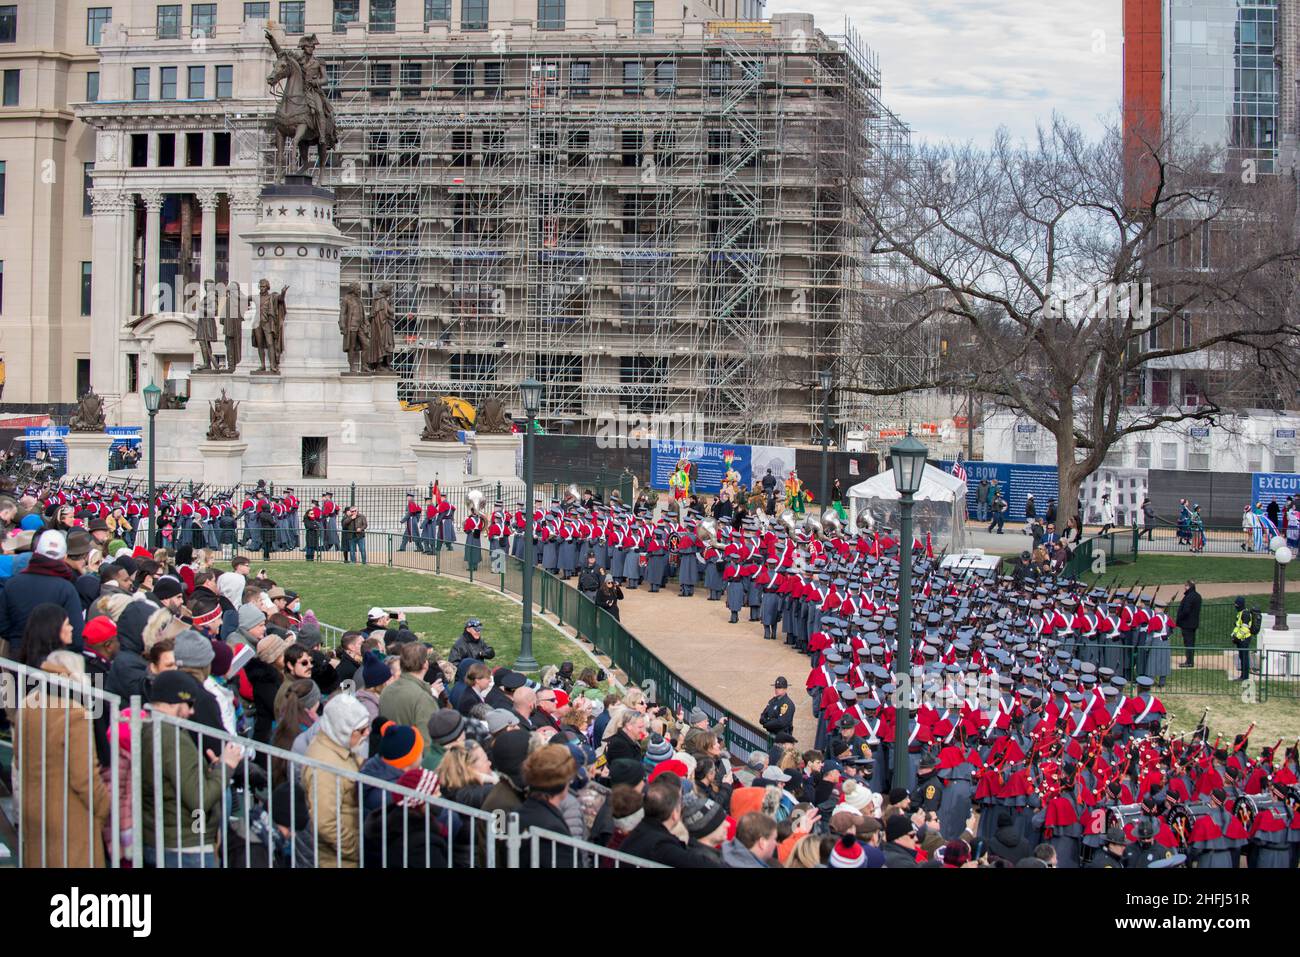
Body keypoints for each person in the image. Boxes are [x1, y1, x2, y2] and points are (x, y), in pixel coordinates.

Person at [138, 670, 242, 868]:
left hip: (168, 840)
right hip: (186, 847)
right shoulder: (173, 738)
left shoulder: (151, 729)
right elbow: (199, 798)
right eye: (190, 704)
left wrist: (213, 771)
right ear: (173, 701)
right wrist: (226, 767)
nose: (192, 712)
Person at [302, 693, 371, 868]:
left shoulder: (340, 745)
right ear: (344, 729)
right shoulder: (325, 767)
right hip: (338, 859)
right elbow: (326, 823)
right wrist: (356, 849)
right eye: (362, 730)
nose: (367, 733)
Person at [1230, 596, 1260, 682]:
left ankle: (1245, 677)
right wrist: (1233, 635)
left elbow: (1245, 628)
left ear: (1240, 605)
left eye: (1236, 604)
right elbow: (1237, 626)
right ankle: (1243, 676)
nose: (1235, 606)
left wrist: (1237, 637)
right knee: (1242, 657)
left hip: (1244, 639)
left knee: (1244, 658)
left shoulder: (1245, 614)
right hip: (1241, 639)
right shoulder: (1240, 613)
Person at [1175, 579, 1201, 668]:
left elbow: (1186, 611)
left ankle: (1189, 662)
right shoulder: (1197, 596)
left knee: (1188, 643)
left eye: (1185, 586)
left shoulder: (1189, 596)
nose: (1184, 588)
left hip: (1187, 624)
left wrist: (1179, 617)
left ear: (1188, 586)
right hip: (1193, 624)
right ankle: (1190, 660)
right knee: (1191, 643)